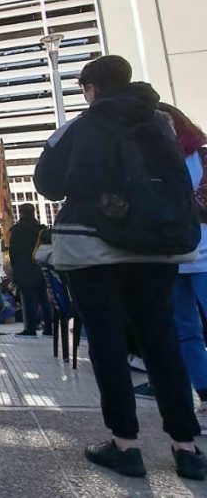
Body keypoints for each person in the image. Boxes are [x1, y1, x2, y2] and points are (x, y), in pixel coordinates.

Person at [34, 55, 205, 480]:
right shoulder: (162, 124)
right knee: (162, 341)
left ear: (91, 88)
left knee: (107, 344)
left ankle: (126, 445)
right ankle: (186, 447)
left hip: (96, 249)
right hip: (157, 249)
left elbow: (47, 182)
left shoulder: (81, 125)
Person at [130, 104, 207, 417]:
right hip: (169, 257)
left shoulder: (201, 157)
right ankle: (204, 392)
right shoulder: (145, 162)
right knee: (184, 330)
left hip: (204, 255)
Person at [9, 203, 50, 337]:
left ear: (21, 213)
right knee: (44, 298)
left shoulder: (17, 230)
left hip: (24, 269)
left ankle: (30, 328)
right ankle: (49, 328)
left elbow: (13, 251)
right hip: (40, 267)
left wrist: (15, 269)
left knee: (28, 299)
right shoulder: (41, 229)